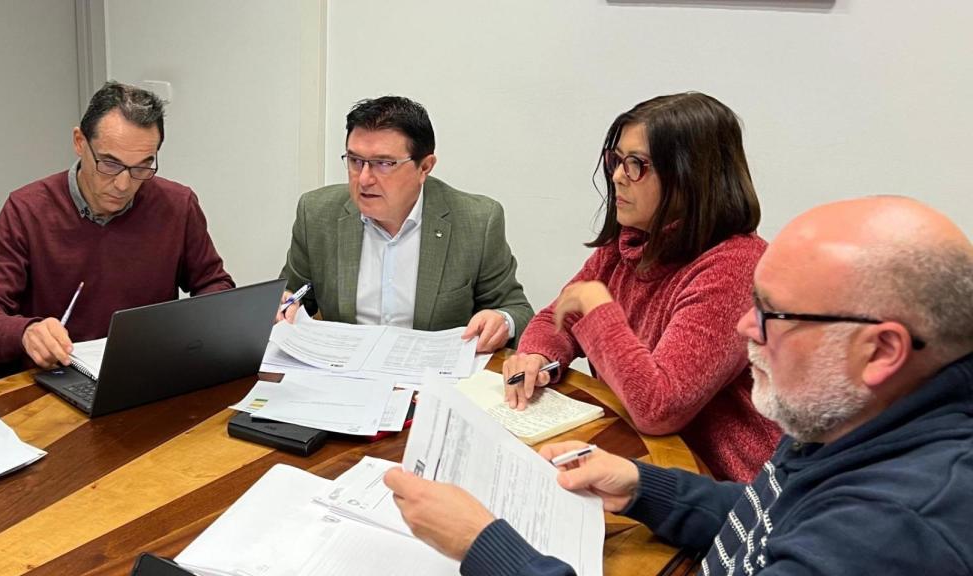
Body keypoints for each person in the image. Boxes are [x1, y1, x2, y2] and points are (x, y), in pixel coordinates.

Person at [385, 196, 973, 575]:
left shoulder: (890, 531)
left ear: (882, 350)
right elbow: (773, 516)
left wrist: (483, 545)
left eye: (773, 314)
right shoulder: (854, 414)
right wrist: (644, 487)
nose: (746, 328)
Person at [503, 92, 780, 481]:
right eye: (616, 160)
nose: (617, 175)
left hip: (723, 491)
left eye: (637, 165)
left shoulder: (735, 266)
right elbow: (556, 316)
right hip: (645, 466)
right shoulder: (630, 243)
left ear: (692, 175)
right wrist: (536, 354)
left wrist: (598, 309)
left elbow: (659, 407)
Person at [0, 81, 233, 372]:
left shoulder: (177, 204)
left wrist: (190, 328)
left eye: (142, 166)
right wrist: (26, 333)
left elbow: (214, 284)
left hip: (148, 371)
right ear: (80, 142)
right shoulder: (28, 209)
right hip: (58, 376)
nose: (123, 184)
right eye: (110, 164)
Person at [276, 96, 533, 353]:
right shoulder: (317, 213)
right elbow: (293, 296)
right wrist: (284, 306)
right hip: (344, 377)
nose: (364, 179)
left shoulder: (477, 221)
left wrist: (503, 321)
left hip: (430, 381)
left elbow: (517, 311)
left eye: (384, 164)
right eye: (355, 161)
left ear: (425, 167)